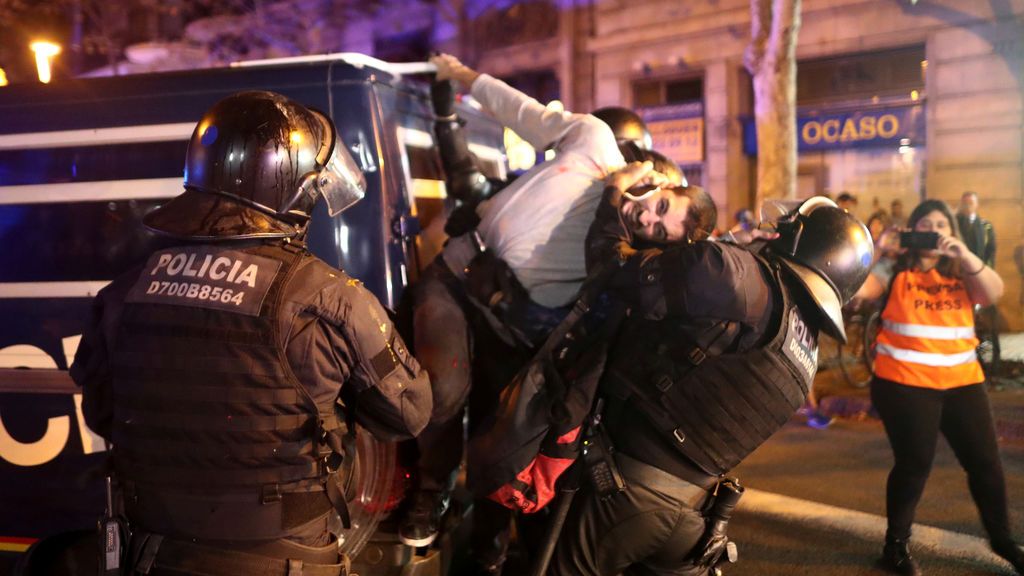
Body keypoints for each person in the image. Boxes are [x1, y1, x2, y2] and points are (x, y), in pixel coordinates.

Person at [70, 91, 431, 574]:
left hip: (154, 553)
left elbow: (101, 415)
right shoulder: (332, 300)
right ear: (294, 192)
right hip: (282, 557)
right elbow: (408, 413)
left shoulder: (124, 293)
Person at [398, 52, 687, 552]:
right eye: (656, 202)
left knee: (500, 433)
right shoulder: (592, 143)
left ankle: (488, 544)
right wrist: (466, 78)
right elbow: (528, 114)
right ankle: (431, 492)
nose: (649, 216)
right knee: (444, 390)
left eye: (662, 225)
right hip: (457, 277)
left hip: (511, 326)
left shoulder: (620, 248)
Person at [548, 166, 875, 576]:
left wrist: (614, 195)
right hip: (690, 519)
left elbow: (613, 268)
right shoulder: (803, 349)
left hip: (624, 492)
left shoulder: (735, 275)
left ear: (796, 240)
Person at [855, 199, 1022, 575]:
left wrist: (963, 253)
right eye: (925, 224)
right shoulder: (894, 267)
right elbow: (861, 290)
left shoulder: (962, 270)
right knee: (915, 464)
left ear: (951, 232)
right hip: (904, 385)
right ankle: (895, 546)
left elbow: (993, 293)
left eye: (941, 226)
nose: (933, 231)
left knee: (986, 464)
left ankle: (1003, 540)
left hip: (963, 383)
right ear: (913, 231)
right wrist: (879, 249)